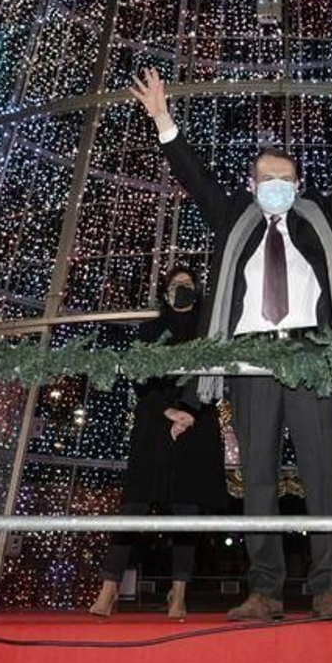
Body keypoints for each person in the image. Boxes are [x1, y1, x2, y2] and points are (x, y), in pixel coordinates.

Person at [127, 67, 332, 622]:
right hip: (248, 362)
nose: (278, 185)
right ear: (252, 184)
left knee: (322, 478)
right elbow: (194, 177)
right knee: (258, 480)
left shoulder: (320, 219)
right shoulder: (232, 220)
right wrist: (162, 118)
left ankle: (324, 589)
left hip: (313, 358)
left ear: (298, 185)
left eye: (287, 178)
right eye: (268, 177)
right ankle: (264, 589)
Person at [89, 266, 226, 621]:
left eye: (188, 285)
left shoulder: (208, 330)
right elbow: (139, 377)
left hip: (197, 422)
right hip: (154, 422)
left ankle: (178, 592)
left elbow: (216, 375)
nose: (182, 290)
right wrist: (167, 411)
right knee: (133, 505)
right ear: (164, 293)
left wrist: (188, 411)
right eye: (175, 286)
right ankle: (109, 586)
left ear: (198, 291)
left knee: (187, 510)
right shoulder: (150, 330)